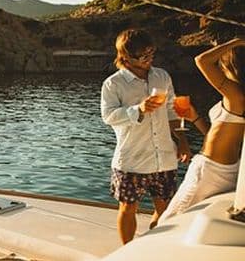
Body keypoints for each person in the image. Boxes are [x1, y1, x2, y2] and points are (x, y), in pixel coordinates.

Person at [101, 28, 190, 244]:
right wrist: (138, 109)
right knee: (128, 207)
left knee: (166, 209)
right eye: (143, 56)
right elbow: (109, 116)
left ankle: (153, 246)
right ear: (126, 57)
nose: (149, 59)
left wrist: (182, 141)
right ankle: (127, 251)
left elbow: (171, 110)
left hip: (164, 157)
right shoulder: (113, 84)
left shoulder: (162, 76)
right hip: (133, 159)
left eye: (151, 53)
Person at [159, 38, 245, 222]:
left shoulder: (236, 95)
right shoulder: (237, 98)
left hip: (210, 171)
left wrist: (235, 42)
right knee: (184, 220)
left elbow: (202, 61)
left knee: (169, 221)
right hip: (225, 168)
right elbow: (219, 136)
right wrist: (196, 118)